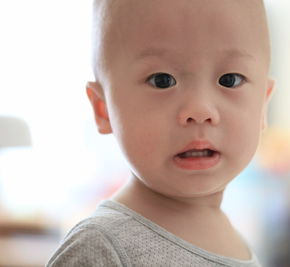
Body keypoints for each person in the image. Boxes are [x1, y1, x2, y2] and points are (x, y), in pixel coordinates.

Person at [47, 0, 274, 265]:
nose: (200, 110)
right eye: (162, 80)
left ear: (262, 105)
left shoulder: (236, 240)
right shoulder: (100, 247)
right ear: (103, 109)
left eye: (230, 79)